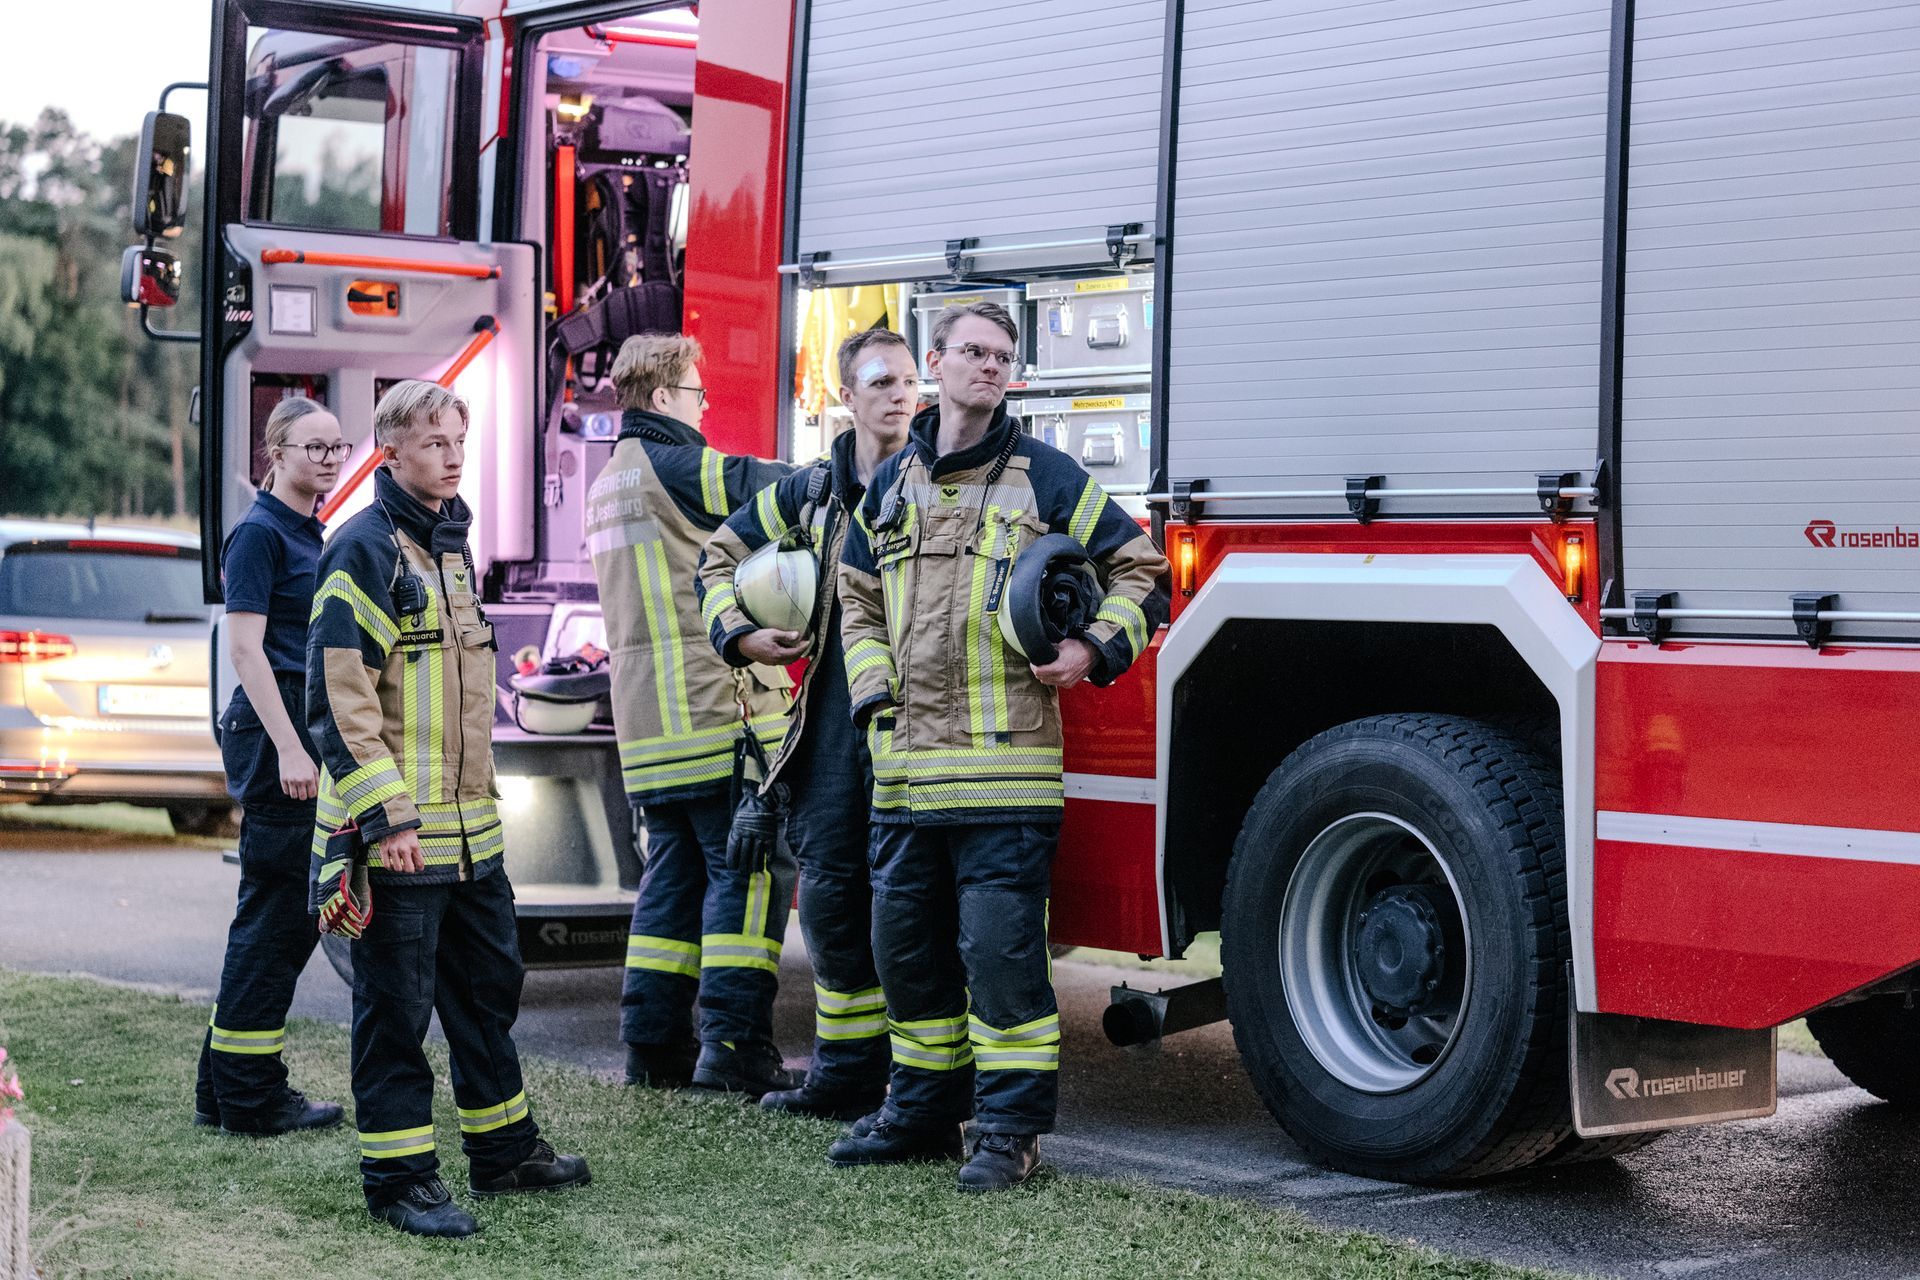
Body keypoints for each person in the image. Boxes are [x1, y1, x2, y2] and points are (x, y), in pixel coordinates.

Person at [831, 301, 1171, 1191]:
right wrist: (872, 695)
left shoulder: (1047, 476)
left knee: (1001, 962)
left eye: (1003, 356)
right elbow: (856, 597)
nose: (989, 366)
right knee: (907, 958)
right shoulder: (891, 484)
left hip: (1004, 778)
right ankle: (919, 1115)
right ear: (936, 362)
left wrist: (1091, 646)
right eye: (973, 352)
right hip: (905, 777)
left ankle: (1009, 1133)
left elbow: (1144, 570)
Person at [308, 381, 588, 1238]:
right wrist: (385, 819)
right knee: (395, 1013)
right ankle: (400, 1180)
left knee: (486, 993)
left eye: (459, 440)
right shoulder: (364, 549)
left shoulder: (449, 547)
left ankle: (505, 1153)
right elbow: (340, 699)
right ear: (390, 452)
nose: (453, 456)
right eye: (434, 443)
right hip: (403, 839)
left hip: (471, 839)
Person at [695, 328, 916, 1121]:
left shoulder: (940, 481)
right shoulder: (812, 490)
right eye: (881, 382)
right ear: (845, 397)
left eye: (908, 382)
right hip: (828, 720)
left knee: (909, 908)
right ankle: (845, 1076)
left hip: (914, 721)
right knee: (828, 899)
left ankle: (919, 1089)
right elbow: (717, 556)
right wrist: (740, 636)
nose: (900, 395)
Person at [586, 334, 801, 1096]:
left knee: (672, 882)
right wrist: (851, 463)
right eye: (697, 393)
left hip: (651, 729)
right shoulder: (675, 464)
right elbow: (765, 485)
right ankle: (734, 1046)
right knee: (748, 874)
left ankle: (652, 1046)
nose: (704, 407)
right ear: (664, 397)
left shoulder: (608, 479)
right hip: (716, 716)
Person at [193, 397, 348, 1136]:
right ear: (275, 453)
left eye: (337, 447)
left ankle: (221, 1091)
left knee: (271, 916)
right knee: (282, 918)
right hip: (274, 729)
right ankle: (253, 1098)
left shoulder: (307, 529)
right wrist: (290, 746)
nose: (329, 458)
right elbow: (245, 648)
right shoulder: (260, 534)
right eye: (314, 447)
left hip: (291, 724)